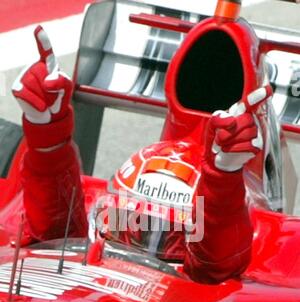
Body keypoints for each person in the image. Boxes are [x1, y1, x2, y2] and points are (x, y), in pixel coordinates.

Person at [8, 26, 270, 283]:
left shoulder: (211, 256)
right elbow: (59, 236)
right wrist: (47, 138)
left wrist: (223, 177)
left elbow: (215, 267)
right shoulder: (96, 233)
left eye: (167, 235)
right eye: (132, 225)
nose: (141, 254)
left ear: (193, 235)